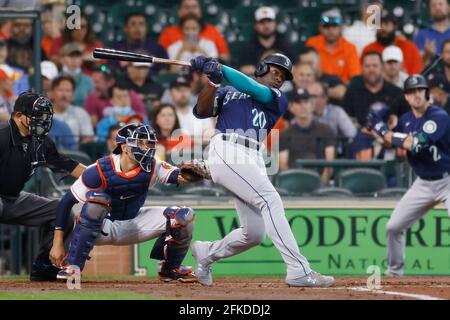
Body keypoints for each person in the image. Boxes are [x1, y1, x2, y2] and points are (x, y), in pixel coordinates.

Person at [190, 53, 335, 287]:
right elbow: (202, 110)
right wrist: (214, 81)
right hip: (228, 147)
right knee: (271, 200)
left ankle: (206, 253)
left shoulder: (277, 97)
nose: (279, 78)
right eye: (275, 71)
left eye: (283, 76)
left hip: (253, 156)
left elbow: (253, 89)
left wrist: (220, 68)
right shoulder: (228, 92)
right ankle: (299, 270)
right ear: (261, 68)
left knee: (254, 234)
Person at [50, 123, 199, 283]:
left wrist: (197, 173)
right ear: (124, 147)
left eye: (148, 143)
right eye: (140, 143)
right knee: (95, 204)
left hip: (134, 221)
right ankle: (73, 266)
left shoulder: (153, 165)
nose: (147, 147)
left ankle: (169, 270)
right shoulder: (98, 169)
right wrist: (57, 243)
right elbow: (66, 202)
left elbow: (180, 177)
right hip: (103, 225)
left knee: (184, 217)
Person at [365, 74, 450, 276]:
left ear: (427, 93)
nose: (417, 95)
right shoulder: (405, 120)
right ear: (406, 97)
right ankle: (394, 272)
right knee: (393, 227)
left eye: (420, 90)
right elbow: (391, 143)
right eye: (412, 92)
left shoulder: (439, 116)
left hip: (448, 179)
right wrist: (378, 126)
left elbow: (415, 144)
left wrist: (383, 130)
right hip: (423, 183)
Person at [0, 92, 85, 281]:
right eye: (37, 116)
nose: (43, 121)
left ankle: (44, 268)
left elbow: (65, 163)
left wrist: (104, 176)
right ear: (19, 116)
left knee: (59, 211)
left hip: (13, 199)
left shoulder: (40, 141)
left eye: (45, 116)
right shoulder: (3, 136)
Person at [343, 51, 410, 159]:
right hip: (361, 141)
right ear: (362, 68)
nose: (371, 69)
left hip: (389, 141)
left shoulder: (397, 93)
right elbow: (347, 121)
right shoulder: (352, 92)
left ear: (382, 67)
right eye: (367, 66)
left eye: (375, 66)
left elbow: (407, 122)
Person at [279, 88, 336, 184]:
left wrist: (320, 186)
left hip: (320, 184)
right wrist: (294, 185)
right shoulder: (284, 134)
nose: (303, 106)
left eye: (306, 102)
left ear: (312, 105)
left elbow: (329, 164)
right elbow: (283, 165)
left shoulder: (326, 130)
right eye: (298, 103)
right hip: (294, 184)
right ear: (291, 107)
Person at [158, 0, 230, 63]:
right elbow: (162, 62)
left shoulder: (212, 30)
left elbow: (224, 57)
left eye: (194, 7)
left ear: (200, 11)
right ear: (179, 12)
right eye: (187, 7)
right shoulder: (168, 32)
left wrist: (202, 51)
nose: (191, 10)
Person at [305, 9, 360, 83]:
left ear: (341, 28)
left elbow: (355, 77)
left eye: (334, 26)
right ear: (320, 28)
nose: (331, 30)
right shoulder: (312, 43)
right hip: (317, 87)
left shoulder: (350, 47)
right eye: (326, 27)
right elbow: (305, 70)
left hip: (342, 88)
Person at [237, 6, 296, 75]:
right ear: (255, 26)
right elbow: (243, 69)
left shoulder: (285, 45)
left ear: (275, 24)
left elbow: (294, 68)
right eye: (262, 22)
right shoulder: (248, 48)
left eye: (269, 21)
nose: (266, 25)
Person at [362, 11, 423, 75]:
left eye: (386, 24)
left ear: (395, 27)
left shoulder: (410, 47)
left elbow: (417, 75)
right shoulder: (368, 49)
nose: (382, 28)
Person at [50, 76, 94, 148]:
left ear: (73, 95)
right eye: (60, 90)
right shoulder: (44, 114)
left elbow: (88, 137)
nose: (64, 95)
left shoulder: (81, 113)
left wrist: (76, 149)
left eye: (68, 91)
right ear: (52, 93)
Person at [414, 0, 450, 66]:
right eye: (433, 5)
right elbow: (415, 63)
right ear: (429, 11)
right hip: (431, 74)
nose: (437, 7)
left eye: (441, 4)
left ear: (448, 7)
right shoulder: (421, 35)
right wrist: (426, 55)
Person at [59, 43, 94, 107]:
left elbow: (91, 106)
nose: (74, 60)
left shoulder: (88, 81)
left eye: (77, 56)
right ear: (62, 59)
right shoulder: (55, 80)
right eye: (70, 56)